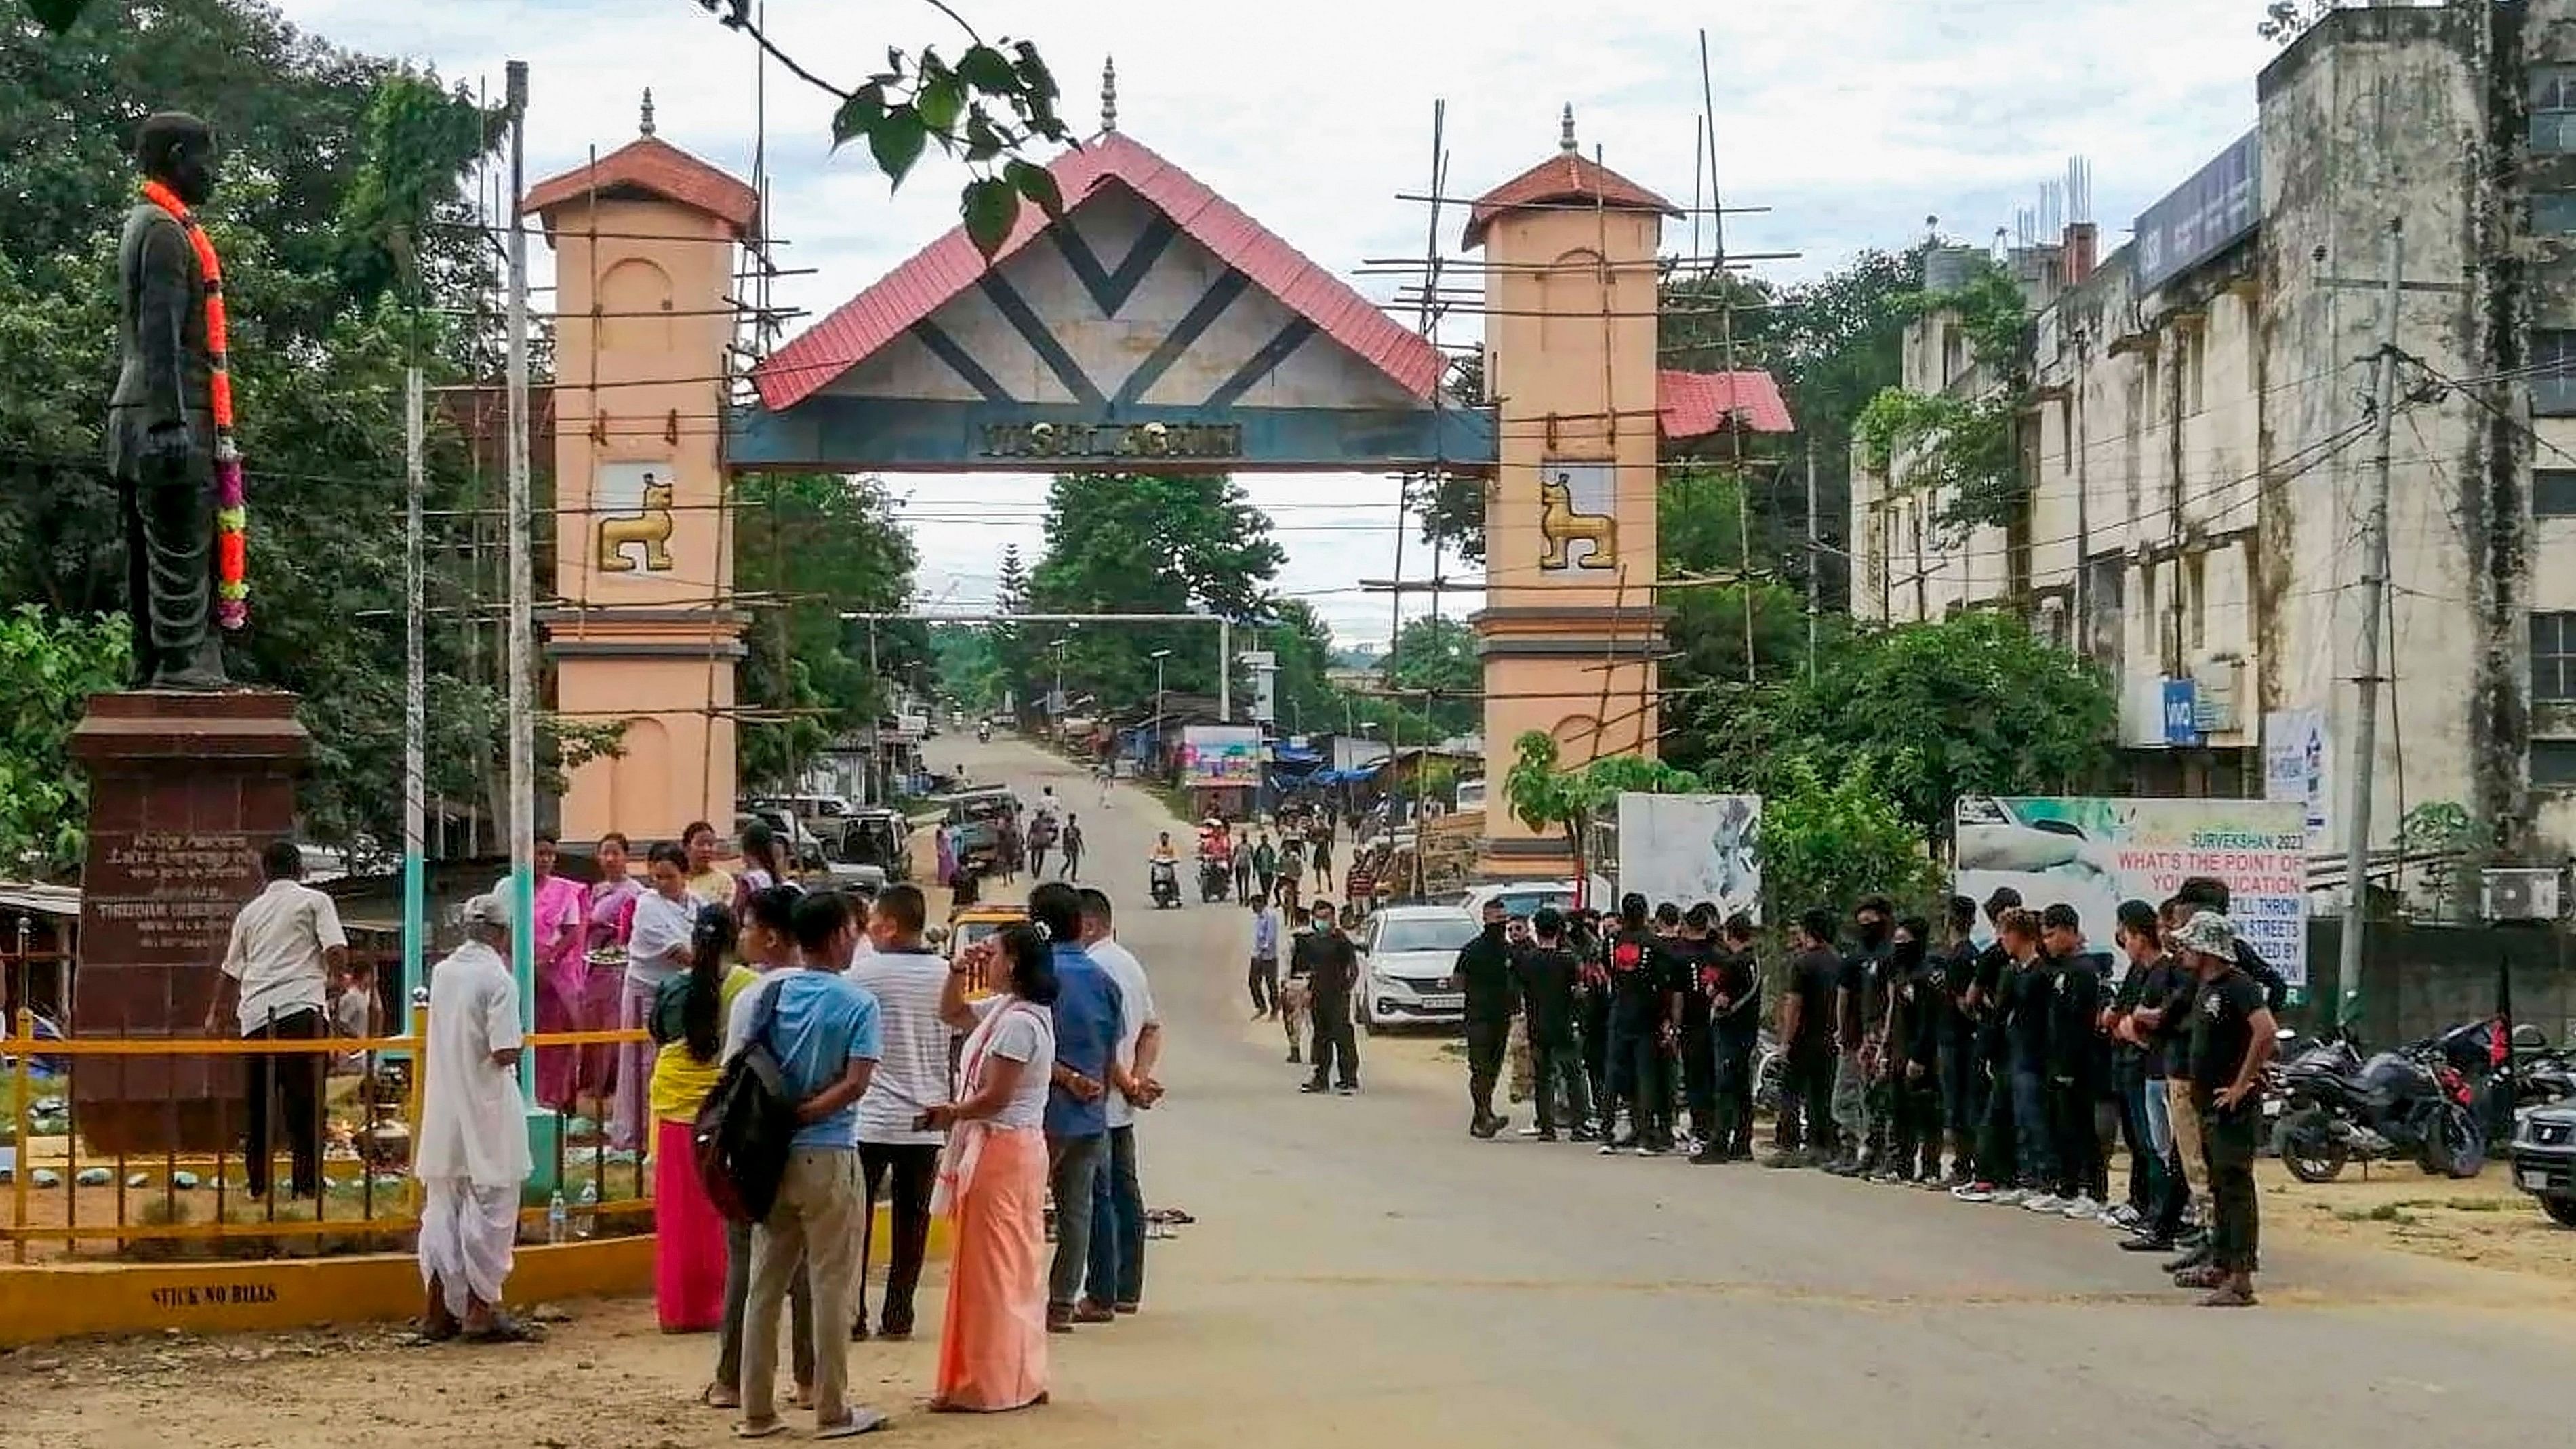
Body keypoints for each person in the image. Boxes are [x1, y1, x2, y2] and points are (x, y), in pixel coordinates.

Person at [733, 889, 887, 1440]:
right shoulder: (857, 1004)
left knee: (765, 1285)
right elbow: (856, 1083)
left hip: (769, 1156)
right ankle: (832, 1407)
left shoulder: (767, 997)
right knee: (830, 1285)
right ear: (841, 935)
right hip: (830, 1152)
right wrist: (808, 1113)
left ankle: (756, 1410)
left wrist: (784, 1119)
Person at [925, 924, 1057, 1413]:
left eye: (997, 954)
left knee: (993, 1271)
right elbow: (952, 1013)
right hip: (1006, 1149)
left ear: (1016, 963)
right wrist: (959, 970)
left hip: (1001, 1151)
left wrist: (950, 1113)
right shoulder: (1007, 1011)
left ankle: (991, 1381)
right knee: (1007, 1266)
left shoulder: (1020, 1023)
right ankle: (1011, 1374)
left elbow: (996, 1097)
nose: (991, 961)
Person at [414, 894, 537, 1343]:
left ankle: (436, 1311)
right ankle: (481, 1310)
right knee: (492, 1209)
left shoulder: (443, 973)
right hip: (487, 1106)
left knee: (443, 1207)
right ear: (502, 936)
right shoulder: (498, 979)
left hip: (445, 1107)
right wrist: (524, 1041)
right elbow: (504, 1050)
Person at [708, 888, 814, 1410]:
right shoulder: (835, 992)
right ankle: (810, 1380)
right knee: (809, 1274)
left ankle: (733, 1381)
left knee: (748, 1269)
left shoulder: (755, 995)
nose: (744, 936)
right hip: (817, 1143)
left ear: (772, 936)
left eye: (748, 927)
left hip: (758, 1147)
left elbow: (733, 1074)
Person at [206, 838, 346, 1200]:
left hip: (255, 1018)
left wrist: (215, 1015)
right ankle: (307, 1188)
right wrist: (336, 980)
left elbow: (231, 971)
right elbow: (336, 949)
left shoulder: (249, 914)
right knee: (306, 1106)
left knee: (259, 1107)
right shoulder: (315, 901)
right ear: (300, 869)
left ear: (263, 873)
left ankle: (258, 1187)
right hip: (301, 1010)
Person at [846, 884, 954, 1343]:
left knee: (857, 1221)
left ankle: (853, 1313)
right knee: (913, 1223)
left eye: (873, 919)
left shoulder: (861, 976)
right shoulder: (946, 974)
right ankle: (899, 1314)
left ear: (889, 925)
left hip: (870, 1116)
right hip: (926, 1118)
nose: (869, 927)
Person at [647, 902, 760, 1334]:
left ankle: (678, 1310)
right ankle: (721, 1305)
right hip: (724, 1109)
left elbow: (658, 1033)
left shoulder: (673, 986)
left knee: (677, 1216)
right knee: (723, 1211)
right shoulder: (750, 985)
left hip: (675, 1107)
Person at [2169, 911, 2275, 1307]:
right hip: (2207, 1105)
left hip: (2232, 1107)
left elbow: (2266, 1032)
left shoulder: (2239, 986)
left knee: (2235, 1188)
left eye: (2190, 944)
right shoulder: (2204, 986)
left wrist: (2242, 1083)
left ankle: (2241, 1278)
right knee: (2217, 1185)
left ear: (2207, 948)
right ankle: (2222, 1262)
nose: (2183, 951)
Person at [1030, 882, 1120, 1334]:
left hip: (1041, 1114)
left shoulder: (1038, 976)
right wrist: (1095, 1089)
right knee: (1076, 1211)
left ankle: (1022, 1298)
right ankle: (1062, 1302)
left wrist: (1065, 1079)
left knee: (1024, 1210)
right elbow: (1109, 1049)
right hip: (1091, 1113)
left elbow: (1029, 1046)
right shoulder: (1104, 980)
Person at [1076, 889, 1162, 1319]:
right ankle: (1128, 1289)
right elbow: (1151, 1029)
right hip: (1122, 1102)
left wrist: (1128, 1082)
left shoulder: (1090, 969)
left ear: (1089, 924)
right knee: (1127, 1195)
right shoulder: (1129, 964)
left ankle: (1102, 1292)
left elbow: (1099, 1042)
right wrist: (1139, 1080)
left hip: (1099, 1101)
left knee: (1099, 1197)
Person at [614, 844, 700, 1152]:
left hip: (681, 992)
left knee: (672, 1059)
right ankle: (633, 1135)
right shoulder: (647, 905)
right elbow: (679, 952)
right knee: (640, 1061)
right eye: (657, 877)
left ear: (685, 875)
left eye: (669, 877)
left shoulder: (697, 905)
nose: (662, 884)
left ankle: (664, 1129)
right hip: (646, 990)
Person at [505, 831, 590, 1112]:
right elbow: (502, 930)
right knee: (513, 1036)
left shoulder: (565, 891)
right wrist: (523, 963)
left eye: (549, 854)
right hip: (514, 974)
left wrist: (547, 963)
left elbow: (572, 933)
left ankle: (551, 1099)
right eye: (538, 853)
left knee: (552, 1044)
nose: (544, 859)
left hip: (553, 980)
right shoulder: (508, 888)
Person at [1952, 888, 2026, 1203]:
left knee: (1990, 1110)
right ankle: (2003, 1174)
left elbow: (1970, 999)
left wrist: (1986, 1014)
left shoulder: (1995, 958)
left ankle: (1989, 1175)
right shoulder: (2025, 960)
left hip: (1995, 1043)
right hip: (2013, 1045)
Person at [2032, 904, 2106, 1217]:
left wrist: (2069, 1067)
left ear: (2068, 932)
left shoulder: (2084, 970)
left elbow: (2080, 1023)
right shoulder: (2060, 969)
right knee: (2061, 1127)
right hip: (2056, 1060)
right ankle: (2067, 1186)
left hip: (2079, 1064)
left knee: (2081, 1128)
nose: (2046, 942)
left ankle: (2094, 1191)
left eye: (2050, 935)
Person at [2106, 899, 2169, 1240]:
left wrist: (2135, 1025)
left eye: (2127, 935)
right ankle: (2146, 1205)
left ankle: (2161, 1213)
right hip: (2133, 1065)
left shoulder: (2164, 972)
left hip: (2154, 1068)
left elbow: (2147, 1023)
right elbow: (2119, 1018)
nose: (2123, 941)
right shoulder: (2137, 972)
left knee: (2155, 1144)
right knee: (2141, 1142)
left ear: (2140, 936)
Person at [1765, 910, 1841, 1168]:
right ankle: (1822, 1145)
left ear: (1808, 931)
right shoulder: (1838, 961)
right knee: (1822, 1095)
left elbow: (1794, 1004)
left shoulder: (1802, 963)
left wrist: (1786, 1040)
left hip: (1803, 1038)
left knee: (1791, 1093)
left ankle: (1788, 1146)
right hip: (1830, 1037)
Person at [1598, 895, 1672, 1156]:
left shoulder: (1610, 942)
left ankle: (1606, 1133)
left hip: (1619, 1009)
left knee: (1613, 1073)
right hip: (1646, 1012)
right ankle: (1645, 1136)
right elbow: (1664, 982)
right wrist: (1666, 1017)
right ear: (1645, 913)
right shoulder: (1654, 943)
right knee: (1646, 1075)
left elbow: (1607, 971)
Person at [1828, 895, 1894, 1176]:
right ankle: (1849, 1149)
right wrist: (1842, 1031)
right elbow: (1842, 997)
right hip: (1855, 1036)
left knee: (1872, 1098)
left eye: (1871, 921)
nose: (1866, 927)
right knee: (1846, 1096)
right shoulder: (1854, 958)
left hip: (1878, 1037)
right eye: (1862, 923)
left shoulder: (1891, 955)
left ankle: (1873, 1152)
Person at [1514, 907, 1592, 1141]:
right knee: (1573, 1075)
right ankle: (1580, 1125)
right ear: (1559, 930)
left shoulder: (1526, 960)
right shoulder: (1568, 960)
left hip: (1537, 1024)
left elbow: (1519, 991)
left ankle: (1547, 1127)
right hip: (1564, 1023)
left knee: (1543, 1077)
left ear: (1536, 931)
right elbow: (1578, 992)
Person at [1877, 918, 1944, 1183]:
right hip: (1897, 1052)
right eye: (1895, 942)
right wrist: (1884, 1051)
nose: (1898, 947)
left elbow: (1929, 1021)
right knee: (1900, 1111)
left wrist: (1919, 1057)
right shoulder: (1899, 974)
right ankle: (1901, 1165)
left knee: (1927, 1113)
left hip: (1922, 1055)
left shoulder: (1928, 975)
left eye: (1903, 941)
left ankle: (1930, 1169)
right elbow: (1893, 1015)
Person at [582, 832, 643, 1114]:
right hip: (594, 967)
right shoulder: (596, 891)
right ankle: (592, 1088)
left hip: (620, 969)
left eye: (615, 852)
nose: (609, 859)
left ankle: (612, 1091)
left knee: (613, 1027)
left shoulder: (636, 893)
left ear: (626, 856)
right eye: (604, 853)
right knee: (592, 1027)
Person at [1451, 898, 1517, 1139]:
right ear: (1485, 919)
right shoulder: (1472, 950)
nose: (1501, 923)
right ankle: (1484, 1114)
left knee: (1494, 1068)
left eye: (1504, 919)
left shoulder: (1510, 951)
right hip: (1478, 1016)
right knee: (1480, 1068)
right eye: (1497, 919)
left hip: (1502, 1017)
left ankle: (1481, 1119)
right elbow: (1457, 980)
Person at [1701, 913, 1762, 1163]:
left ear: (1729, 933)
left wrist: (1711, 992)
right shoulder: (1754, 960)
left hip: (1730, 1032)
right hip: (1747, 1032)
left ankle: (1719, 1144)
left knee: (1725, 1089)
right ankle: (1742, 1142)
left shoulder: (1732, 964)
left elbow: (1720, 997)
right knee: (1742, 1090)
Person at [1932, 896, 1984, 1189]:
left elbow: (1967, 1005)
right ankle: (1965, 1165)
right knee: (1962, 1104)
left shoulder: (1959, 959)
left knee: (1958, 1105)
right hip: (1961, 1039)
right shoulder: (1970, 954)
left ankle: (1963, 1167)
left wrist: (1952, 995)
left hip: (1956, 1040)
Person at [1292, 899, 1360, 1095]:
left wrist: (1347, 989)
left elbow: (1353, 969)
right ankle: (1320, 1079)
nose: (1323, 921)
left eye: (1326, 917)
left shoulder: (1342, 941)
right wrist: (1306, 993)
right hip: (1318, 996)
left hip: (1338, 995)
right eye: (1319, 917)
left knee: (1342, 1035)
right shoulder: (1310, 943)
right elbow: (1305, 971)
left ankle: (1348, 1078)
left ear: (1333, 918)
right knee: (1320, 1038)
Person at [1667, 905, 1719, 1154]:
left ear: (1687, 926)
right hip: (1719, 1026)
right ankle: (1718, 1130)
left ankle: (1701, 1132)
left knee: (1696, 1081)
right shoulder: (1720, 955)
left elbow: (1678, 998)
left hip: (1691, 1026)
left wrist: (1675, 1029)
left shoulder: (1680, 958)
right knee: (1715, 1079)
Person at [682, 819, 736, 908]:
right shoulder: (676, 879)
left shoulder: (725, 881)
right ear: (686, 847)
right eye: (700, 844)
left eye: (711, 844)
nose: (706, 849)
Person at [1276, 833, 1305, 916]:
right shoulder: (1282, 857)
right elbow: (1278, 867)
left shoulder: (1295, 856)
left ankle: (1296, 911)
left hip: (1294, 878)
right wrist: (1279, 873)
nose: (1287, 848)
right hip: (1285, 878)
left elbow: (1300, 867)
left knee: (1295, 895)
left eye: (1288, 846)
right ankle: (1284, 911)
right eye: (1285, 846)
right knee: (1284, 895)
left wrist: (1298, 875)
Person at [1251, 831, 1279, 905]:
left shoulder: (1270, 849)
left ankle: (1266, 897)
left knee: (1269, 887)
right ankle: (1265, 899)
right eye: (1263, 839)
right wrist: (1254, 871)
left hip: (1269, 871)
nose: (1264, 840)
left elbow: (1274, 860)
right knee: (1263, 886)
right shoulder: (1259, 849)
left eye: (1265, 839)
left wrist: (1275, 870)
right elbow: (1255, 860)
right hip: (1262, 871)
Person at [1309, 821, 1335, 894]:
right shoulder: (1316, 831)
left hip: (1324, 853)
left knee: (1326, 870)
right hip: (1319, 852)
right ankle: (1319, 887)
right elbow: (1311, 841)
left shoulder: (1326, 831)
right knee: (1318, 870)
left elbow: (1332, 841)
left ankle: (1329, 882)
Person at [1058, 815, 1085, 882]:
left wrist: (1082, 848)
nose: (1072, 821)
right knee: (1069, 862)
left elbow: (1079, 839)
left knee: (1075, 863)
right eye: (1071, 819)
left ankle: (1073, 877)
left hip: (1075, 847)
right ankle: (1062, 872)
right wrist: (1064, 849)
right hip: (1068, 847)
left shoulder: (1076, 829)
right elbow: (1064, 840)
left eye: (1073, 819)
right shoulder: (1066, 829)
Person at [1230, 828, 1253, 904]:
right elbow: (1234, 856)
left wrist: (1254, 870)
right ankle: (1241, 898)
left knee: (1246, 884)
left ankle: (1246, 899)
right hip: (1239, 866)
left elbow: (1253, 857)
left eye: (1245, 836)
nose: (1244, 838)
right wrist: (1232, 866)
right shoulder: (1238, 846)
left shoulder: (1250, 846)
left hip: (1247, 866)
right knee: (1239, 884)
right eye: (1243, 836)